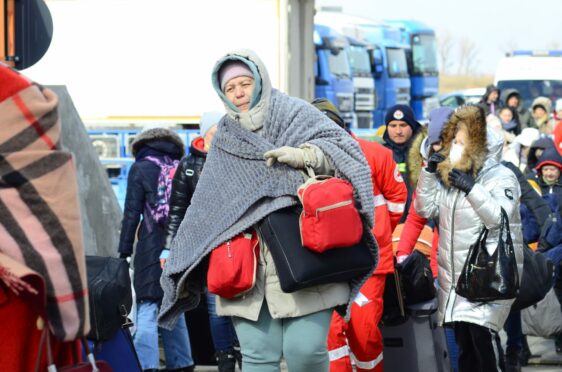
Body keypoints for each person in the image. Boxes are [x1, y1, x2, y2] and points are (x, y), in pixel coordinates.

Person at [158, 49, 377, 372]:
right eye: (230, 89)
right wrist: (178, 252)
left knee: (304, 351)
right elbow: (206, 203)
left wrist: (305, 156)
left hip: (306, 256)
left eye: (244, 83)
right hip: (246, 267)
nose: (239, 93)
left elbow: (347, 155)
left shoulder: (296, 113)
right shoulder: (225, 137)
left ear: (260, 79)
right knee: (258, 356)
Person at [414, 105, 524, 372]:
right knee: (466, 349)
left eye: (461, 142)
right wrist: (429, 173)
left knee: (483, 345)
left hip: (486, 279)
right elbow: (424, 209)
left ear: (478, 145)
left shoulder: (502, 177)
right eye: (454, 142)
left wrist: (472, 189)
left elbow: (499, 218)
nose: (455, 147)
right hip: (456, 281)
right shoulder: (451, 178)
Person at [311, 98, 407, 372]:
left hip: (368, 261)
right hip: (325, 263)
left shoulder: (375, 154)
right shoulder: (305, 159)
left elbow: (398, 202)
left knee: (363, 333)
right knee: (330, 336)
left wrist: (371, 233)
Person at [162, 111, 241, 372]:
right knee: (214, 304)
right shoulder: (187, 166)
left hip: (237, 242)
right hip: (205, 247)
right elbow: (177, 210)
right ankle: (225, 359)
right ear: (204, 134)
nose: (220, 138)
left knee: (240, 300)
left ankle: (241, 351)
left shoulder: (236, 160)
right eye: (215, 132)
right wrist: (169, 247)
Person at [118, 128, 194, 372]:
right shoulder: (182, 166)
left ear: (142, 147)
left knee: (147, 306)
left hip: (151, 247)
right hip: (181, 245)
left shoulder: (141, 168)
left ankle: (146, 365)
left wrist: (124, 251)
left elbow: (131, 214)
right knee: (174, 304)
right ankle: (182, 363)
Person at [382, 104, 422, 222]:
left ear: (412, 126)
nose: (398, 131)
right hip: (389, 224)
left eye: (403, 125)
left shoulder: (424, 153)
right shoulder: (380, 154)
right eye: (393, 126)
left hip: (419, 225)